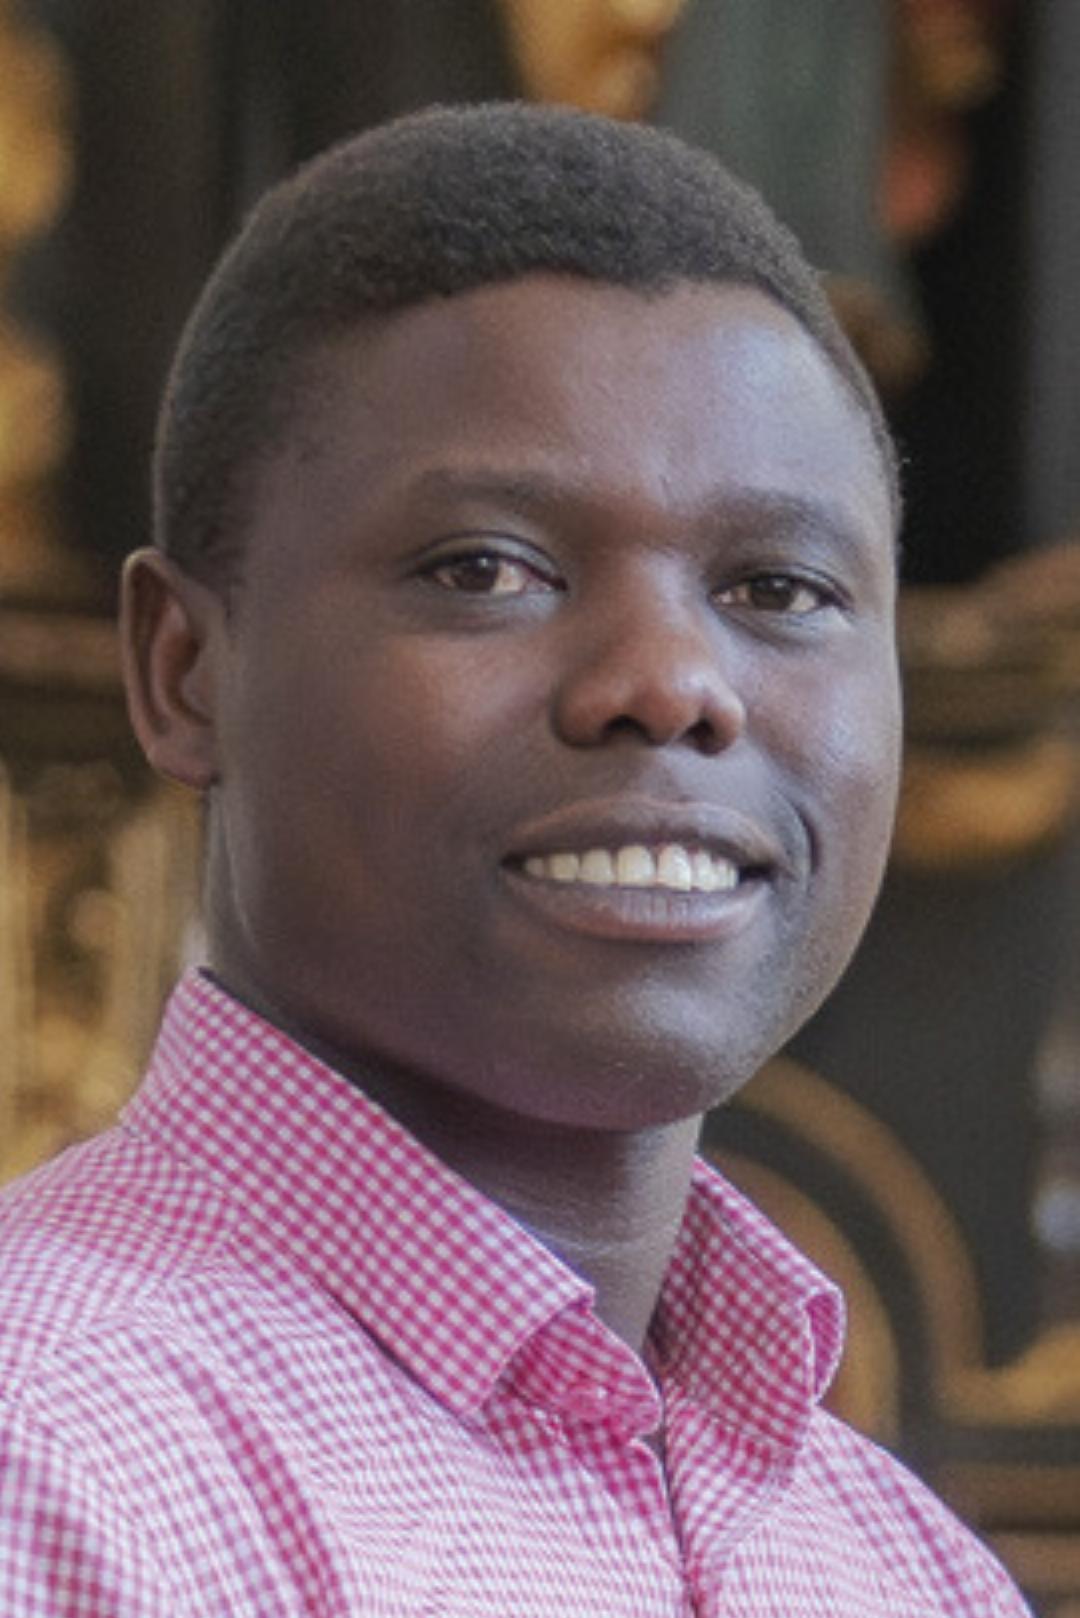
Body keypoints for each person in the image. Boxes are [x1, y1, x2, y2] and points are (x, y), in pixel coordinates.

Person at [0, 102, 1030, 1616]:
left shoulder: (906, 1569)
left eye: (779, 587)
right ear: (184, 670)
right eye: (487, 569)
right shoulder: (52, 1461)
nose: (672, 682)